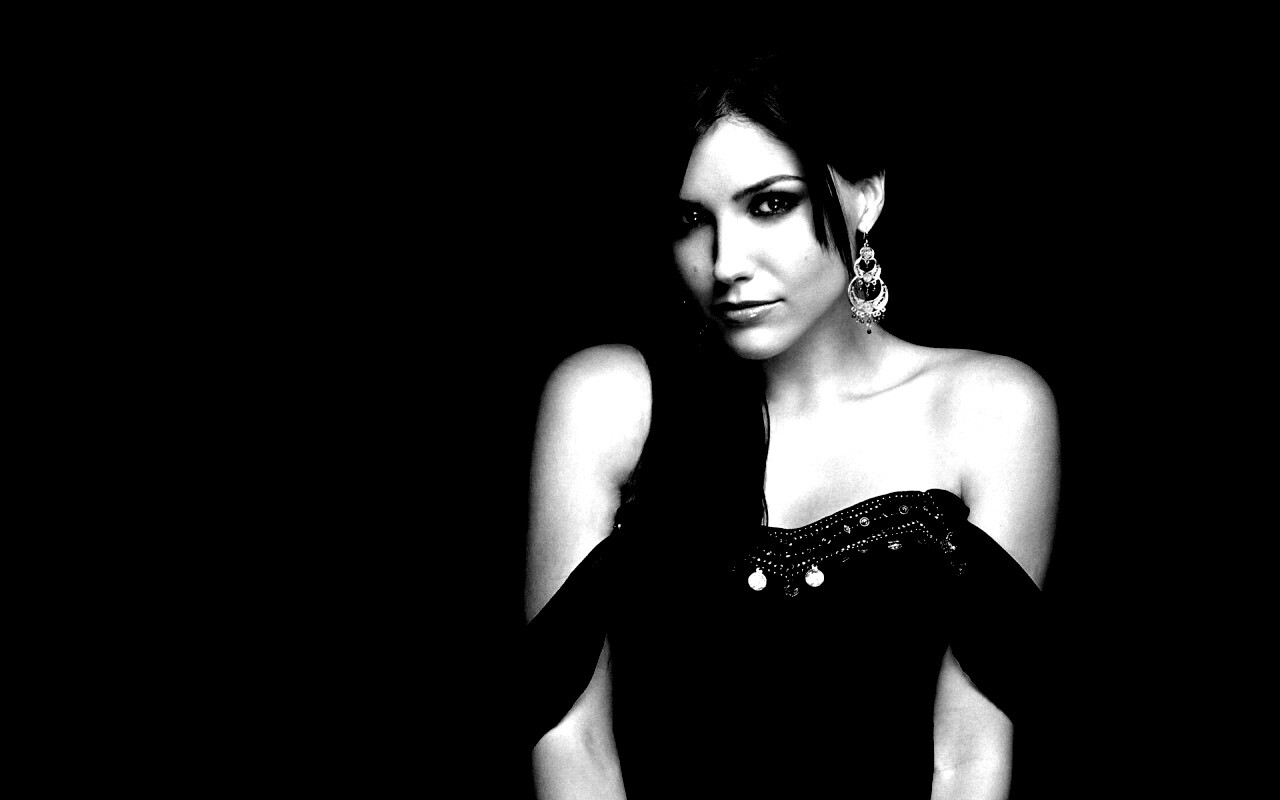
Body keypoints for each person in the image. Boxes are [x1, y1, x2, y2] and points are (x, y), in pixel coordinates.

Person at [522, 51, 1059, 799]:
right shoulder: (608, 402)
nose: (725, 264)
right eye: (691, 220)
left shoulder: (991, 409)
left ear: (865, 196)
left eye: (770, 205)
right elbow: (568, 736)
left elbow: (969, 757)